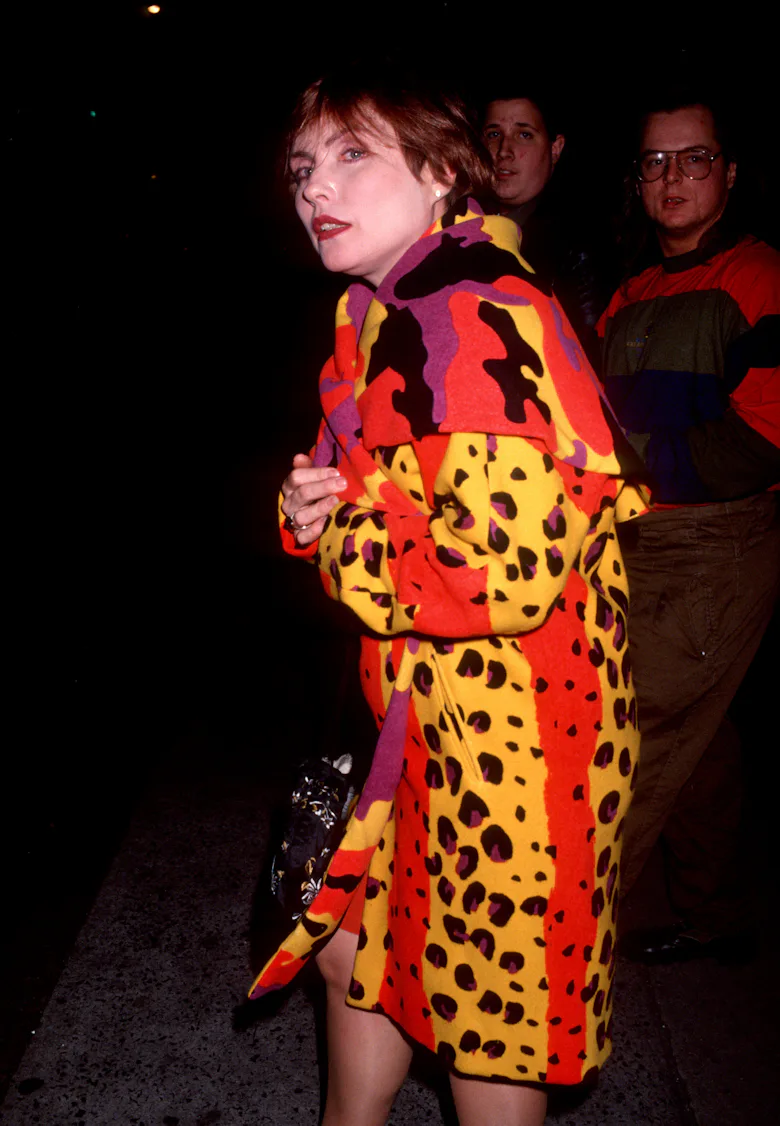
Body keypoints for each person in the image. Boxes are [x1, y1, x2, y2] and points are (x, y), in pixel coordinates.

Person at [250, 67, 642, 1126]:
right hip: (424, 717)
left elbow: (494, 576)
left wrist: (337, 548)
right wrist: (310, 510)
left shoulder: (473, 314)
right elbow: (359, 500)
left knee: (487, 1023)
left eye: (351, 154)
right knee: (354, 948)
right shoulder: (379, 312)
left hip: (517, 744)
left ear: (438, 174)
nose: (312, 186)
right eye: (302, 164)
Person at [599, 94, 780, 962]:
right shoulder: (628, 297)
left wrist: (625, 460)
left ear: (729, 172)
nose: (672, 178)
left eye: (694, 158)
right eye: (655, 163)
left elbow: (766, 436)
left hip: (716, 546)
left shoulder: (759, 277)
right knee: (702, 739)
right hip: (634, 542)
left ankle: (565, 942)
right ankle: (718, 912)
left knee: (634, 734)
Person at [481, 92, 608, 352]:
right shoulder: (461, 227)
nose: (504, 151)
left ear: (555, 148)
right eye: (494, 134)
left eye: (524, 135)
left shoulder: (577, 244)